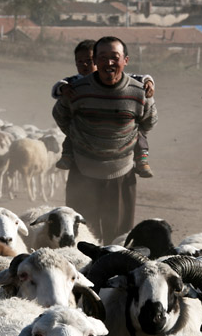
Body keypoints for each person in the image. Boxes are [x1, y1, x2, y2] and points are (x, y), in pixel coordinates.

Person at [52, 36, 158, 243]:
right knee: (81, 235)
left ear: (125, 60)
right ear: (95, 60)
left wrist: (123, 139)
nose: (108, 63)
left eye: (114, 57)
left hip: (121, 173)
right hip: (82, 171)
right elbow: (61, 116)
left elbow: (149, 122)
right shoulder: (76, 90)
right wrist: (81, 137)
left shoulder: (139, 91)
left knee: (118, 237)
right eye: (102, 57)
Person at [51, 39, 155, 178]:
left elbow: (140, 79)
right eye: (79, 61)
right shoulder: (75, 84)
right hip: (84, 159)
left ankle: (142, 160)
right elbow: (59, 100)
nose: (84, 65)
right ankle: (67, 157)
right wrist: (63, 88)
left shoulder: (124, 81)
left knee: (138, 134)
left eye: (88, 60)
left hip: (121, 162)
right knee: (72, 133)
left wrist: (148, 81)